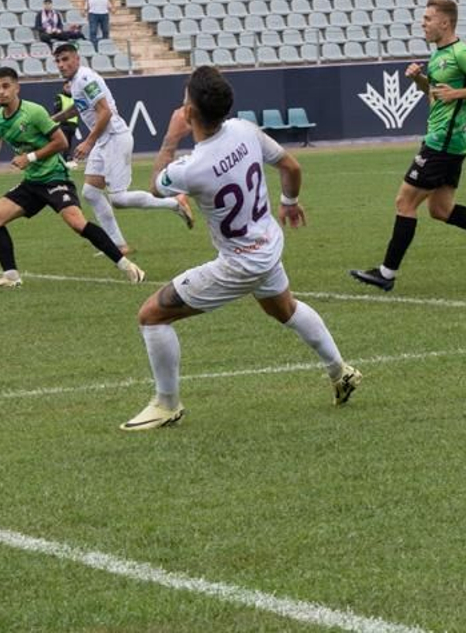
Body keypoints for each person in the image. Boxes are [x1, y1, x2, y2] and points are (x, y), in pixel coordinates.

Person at [120, 66, 361, 431]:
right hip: (267, 243)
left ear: (189, 113)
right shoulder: (245, 131)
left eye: (184, 100)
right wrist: (290, 201)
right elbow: (290, 166)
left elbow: (155, 186)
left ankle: (167, 404)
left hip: (239, 263)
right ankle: (341, 372)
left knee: (151, 315)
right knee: (285, 309)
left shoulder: (191, 168)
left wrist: (170, 139)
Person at [348, 0, 466, 293]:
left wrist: (457, 95)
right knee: (441, 210)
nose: (422, 23)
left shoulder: (462, 54)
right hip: (451, 142)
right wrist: (420, 80)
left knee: (405, 202)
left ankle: (386, 274)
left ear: (445, 22)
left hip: (442, 143)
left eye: (427, 19)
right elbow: (435, 96)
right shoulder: (439, 55)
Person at [0, 66, 145, 290]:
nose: (1, 92)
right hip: (32, 182)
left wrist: (30, 157)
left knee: (77, 224)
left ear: (17, 87)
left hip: (55, 178)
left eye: (6, 86)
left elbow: (61, 143)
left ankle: (127, 266)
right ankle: (10, 276)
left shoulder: (34, 112)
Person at [55, 43, 192, 258]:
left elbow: (105, 112)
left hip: (115, 138)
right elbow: (79, 106)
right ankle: (119, 245)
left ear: (77, 58)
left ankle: (174, 202)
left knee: (118, 199)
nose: (61, 65)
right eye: (58, 61)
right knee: (91, 193)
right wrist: (55, 119)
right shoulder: (75, 83)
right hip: (104, 140)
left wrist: (89, 142)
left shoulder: (85, 78)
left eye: (65, 59)